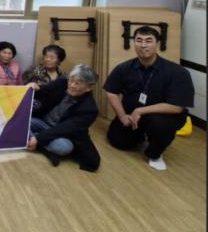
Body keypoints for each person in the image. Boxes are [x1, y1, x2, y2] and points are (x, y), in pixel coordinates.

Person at [104, 26, 194, 171]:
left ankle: (155, 154)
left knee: (158, 124)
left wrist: (140, 110)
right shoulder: (124, 68)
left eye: (148, 41)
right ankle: (142, 135)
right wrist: (122, 116)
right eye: (139, 40)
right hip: (133, 115)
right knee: (118, 141)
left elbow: (177, 107)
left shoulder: (177, 72)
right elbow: (111, 91)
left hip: (163, 116)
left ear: (157, 43)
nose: (143, 45)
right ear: (134, 43)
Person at [26, 65, 101, 172]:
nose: (72, 85)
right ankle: (37, 143)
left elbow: (64, 129)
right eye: (71, 80)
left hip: (60, 133)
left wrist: (38, 138)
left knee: (64, 148)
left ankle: (32, 139)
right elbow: (44, 91)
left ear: (89, 87)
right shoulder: (62, 83)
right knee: (21, 120)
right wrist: (35, 88)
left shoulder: (89, 109)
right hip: (41, 122)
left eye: (78, 83)